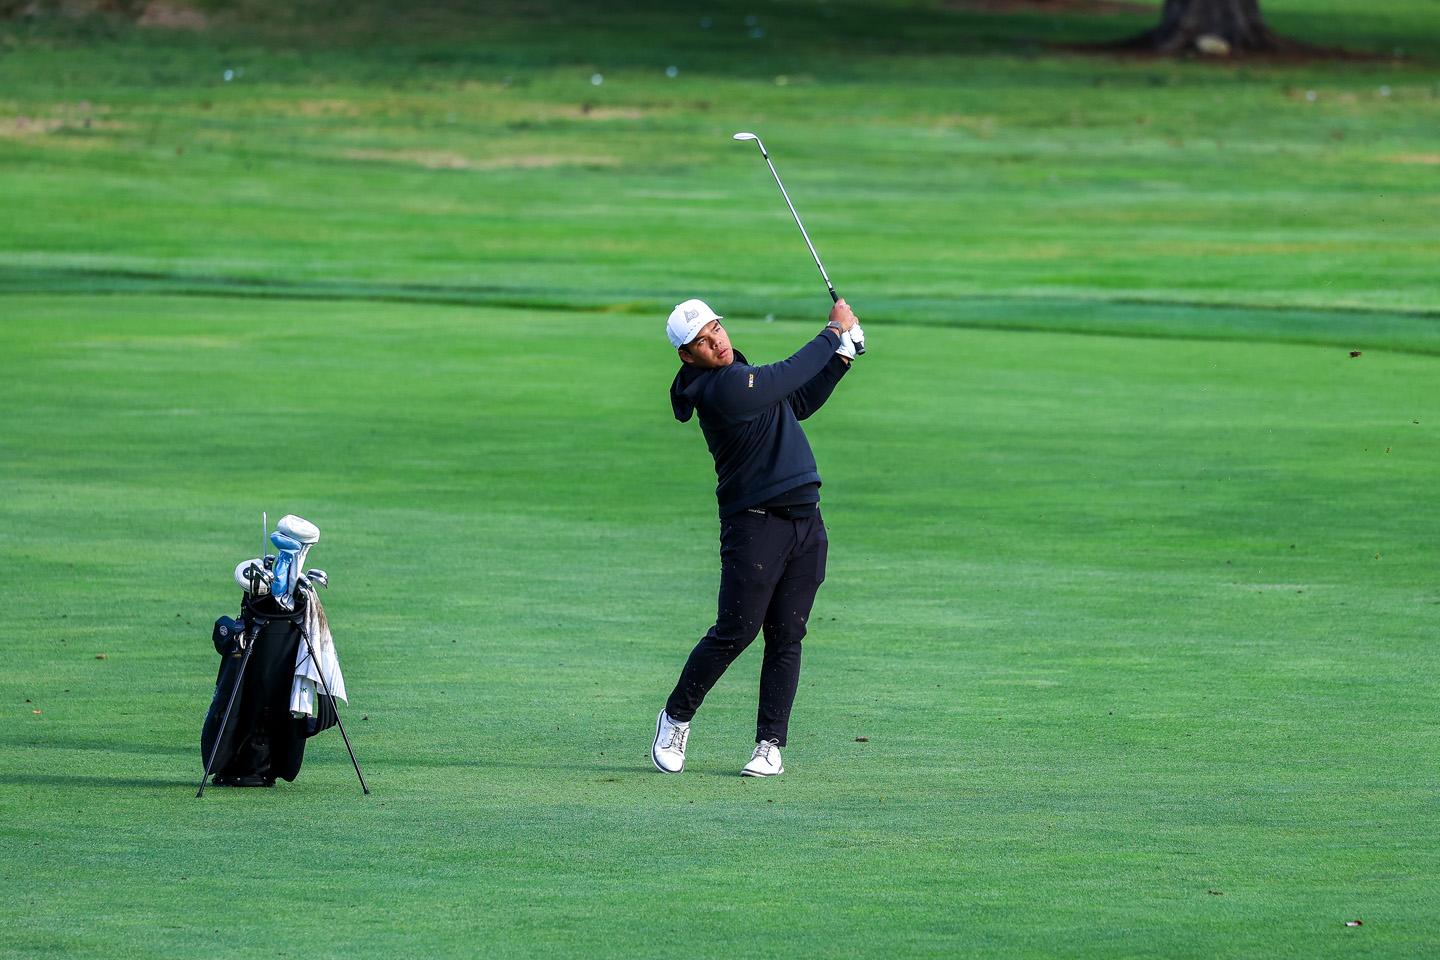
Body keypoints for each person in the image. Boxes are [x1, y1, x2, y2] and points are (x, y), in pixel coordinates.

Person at [653, 297, 863, 777]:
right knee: (736, 632)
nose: (716, 343)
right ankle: (676, 716)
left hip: (805, 521)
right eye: (702, 341)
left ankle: (769, 745)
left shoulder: (745, 381)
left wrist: (844, 359)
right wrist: (834, 333)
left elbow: (799, 401)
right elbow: (788, 374)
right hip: (755, 524)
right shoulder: (719, 389)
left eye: (715, 330)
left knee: (787, 635)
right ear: (688, 356)